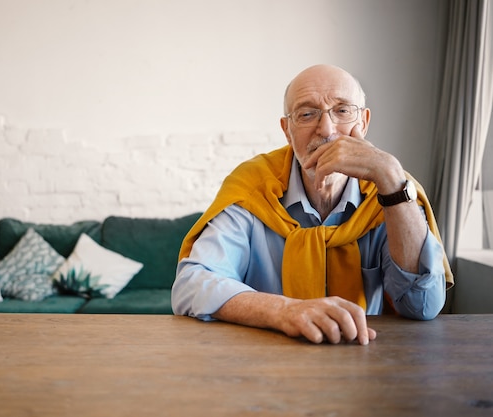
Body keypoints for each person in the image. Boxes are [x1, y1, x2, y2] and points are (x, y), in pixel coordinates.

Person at [171, 64, 453, 345]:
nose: (327, 130)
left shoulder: (391, 190)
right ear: (287, 130)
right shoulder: (253, 185)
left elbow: (422, 305)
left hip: (366, 357)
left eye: (342, 111)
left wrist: (392, 178)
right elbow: (192, 284)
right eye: (307, 114)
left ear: (364, 123)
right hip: (262, 358)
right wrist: (284, 309)